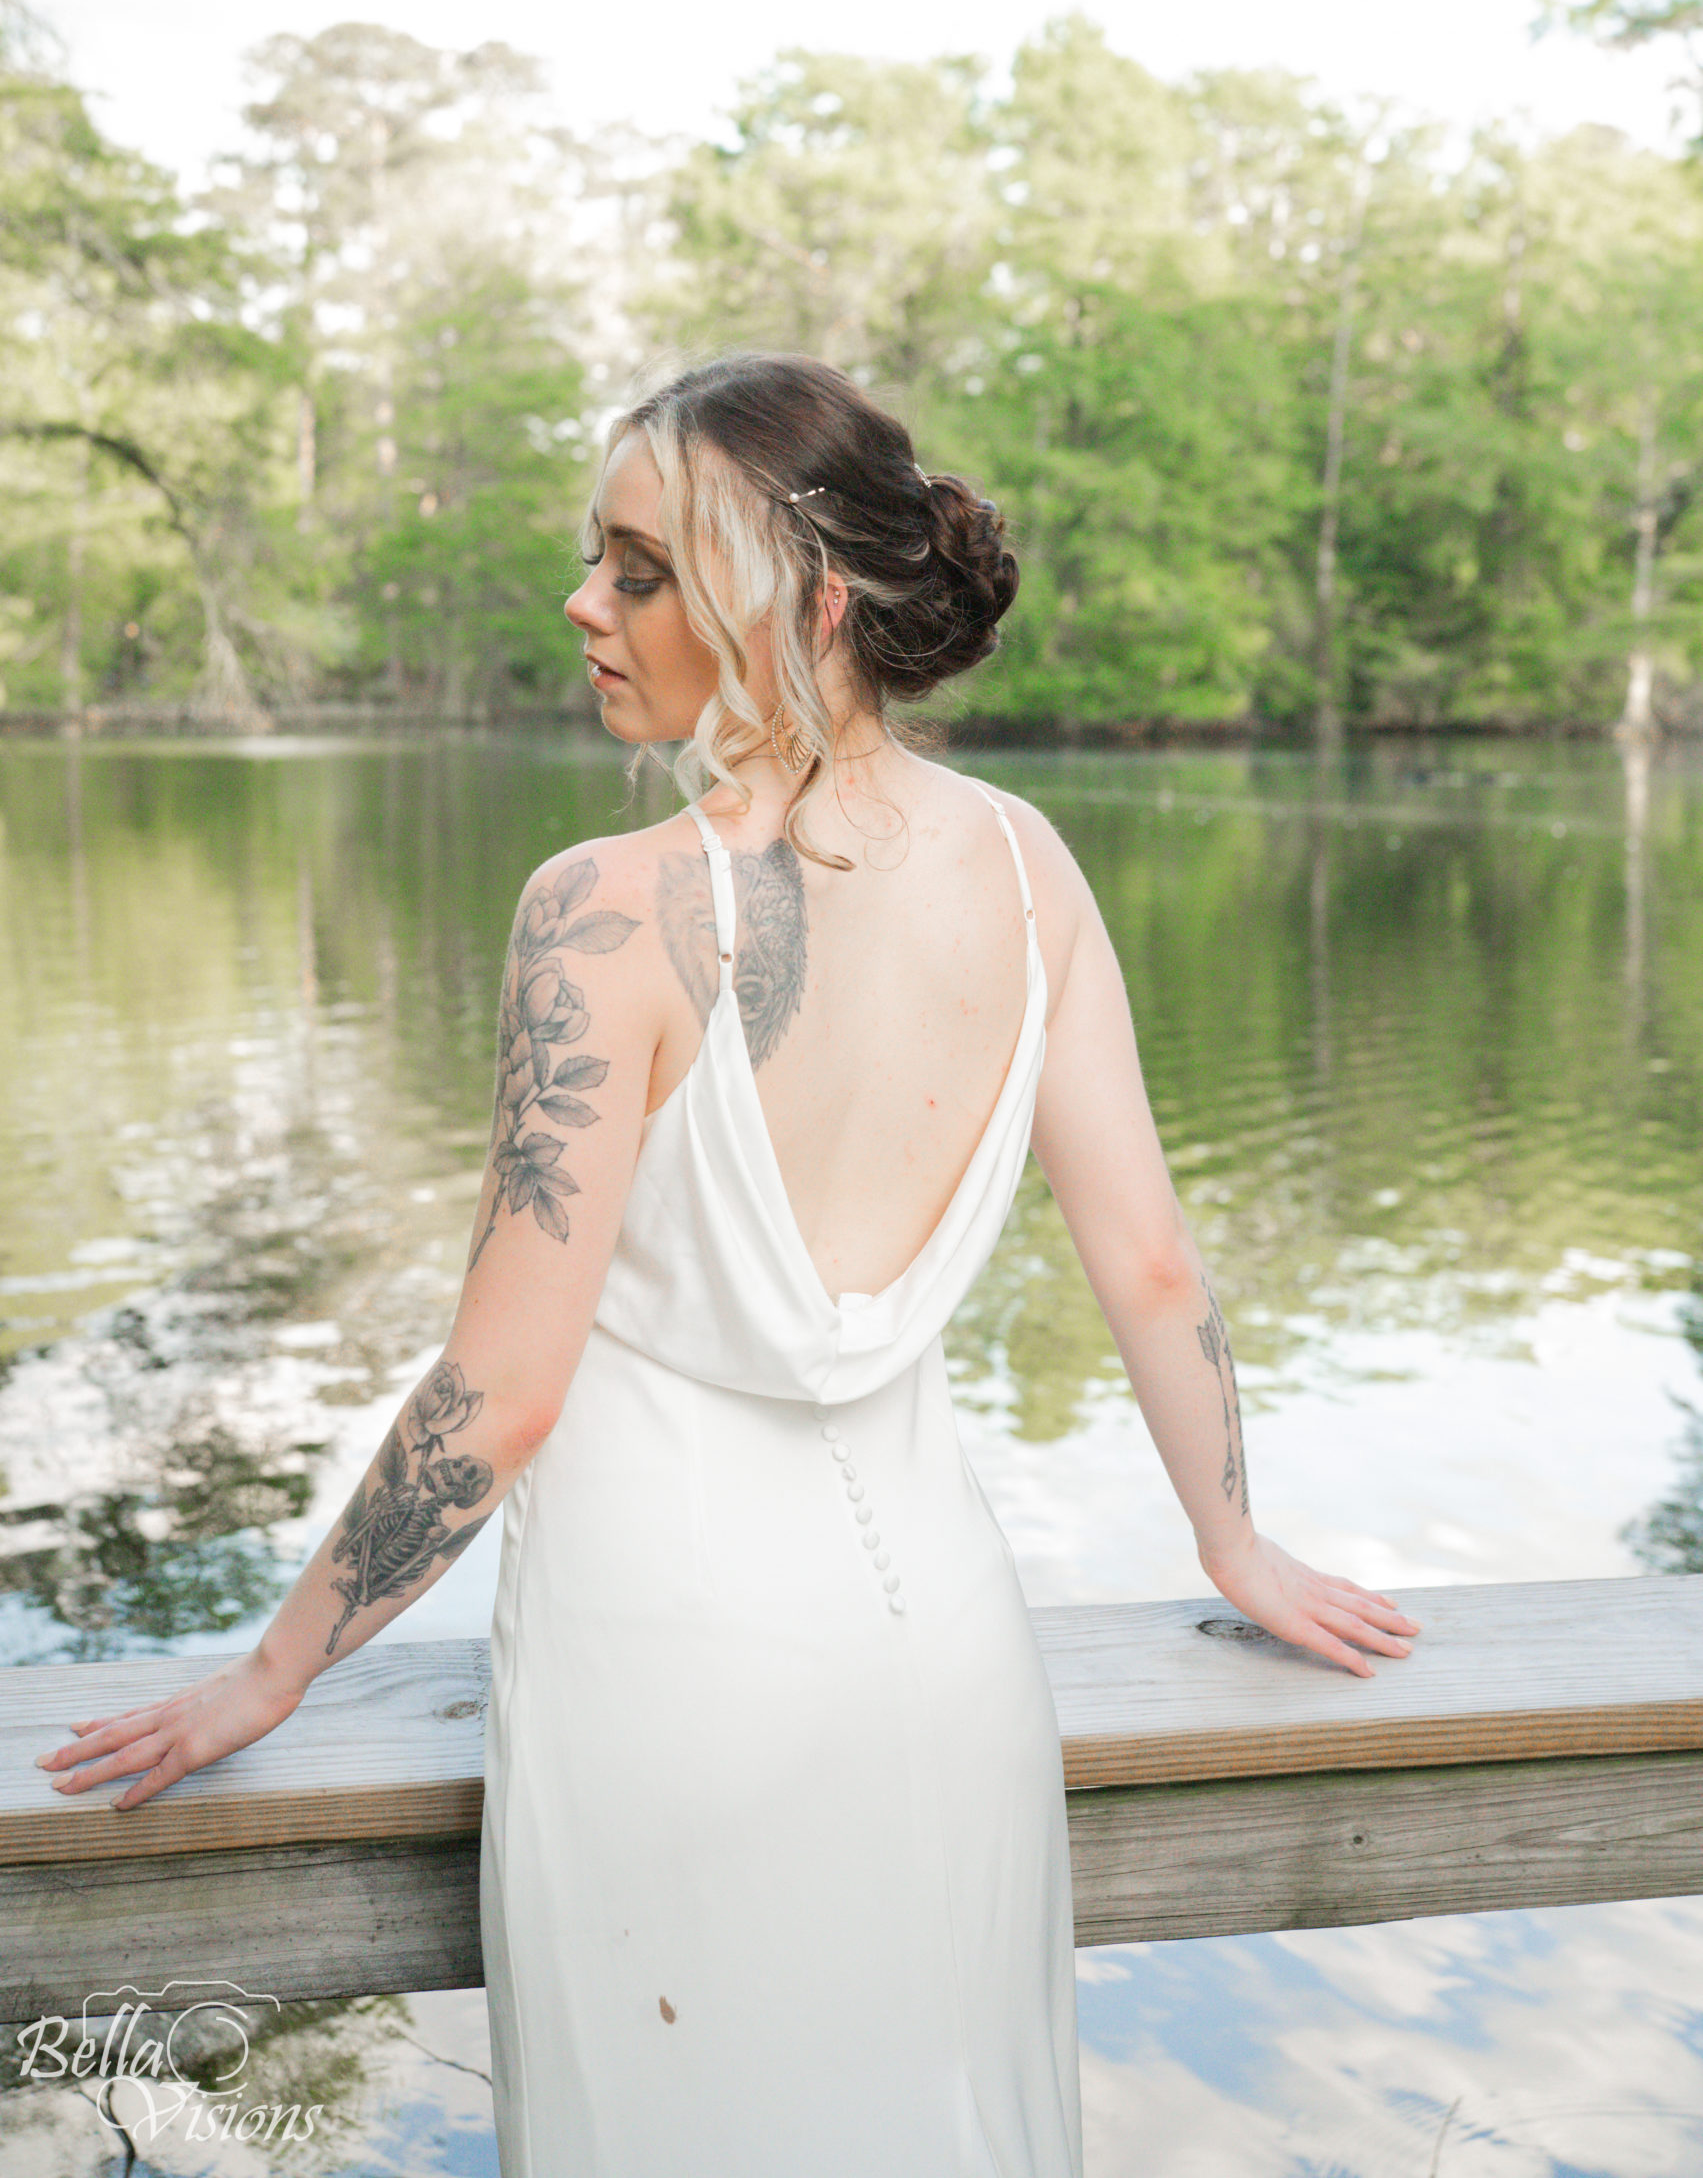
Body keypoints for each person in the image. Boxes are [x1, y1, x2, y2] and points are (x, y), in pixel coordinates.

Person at [36, 352, 1419, 2175]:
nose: (583, 604)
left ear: (807, 602)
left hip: (668, 1694)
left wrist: (271, 1673)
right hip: (949, 1665)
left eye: (642, 571)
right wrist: (1233, 1544)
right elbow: (1151, 1266)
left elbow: (502, 1393)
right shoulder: (1029, 872)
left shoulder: (602, 912)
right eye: (598, 563)